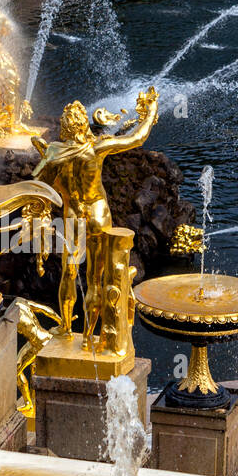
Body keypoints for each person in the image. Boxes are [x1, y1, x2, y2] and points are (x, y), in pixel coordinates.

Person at [31, 87, 158, 339]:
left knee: (69, 272)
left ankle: (66, 328)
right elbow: (137, 138)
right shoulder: (97, 147)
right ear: (82, 125)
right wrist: (151, 111)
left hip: (73, 218)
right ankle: (91, 335)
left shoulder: (55, 152)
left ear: (65, 127)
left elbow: (37, 188)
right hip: (99, 215)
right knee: (95, 279)